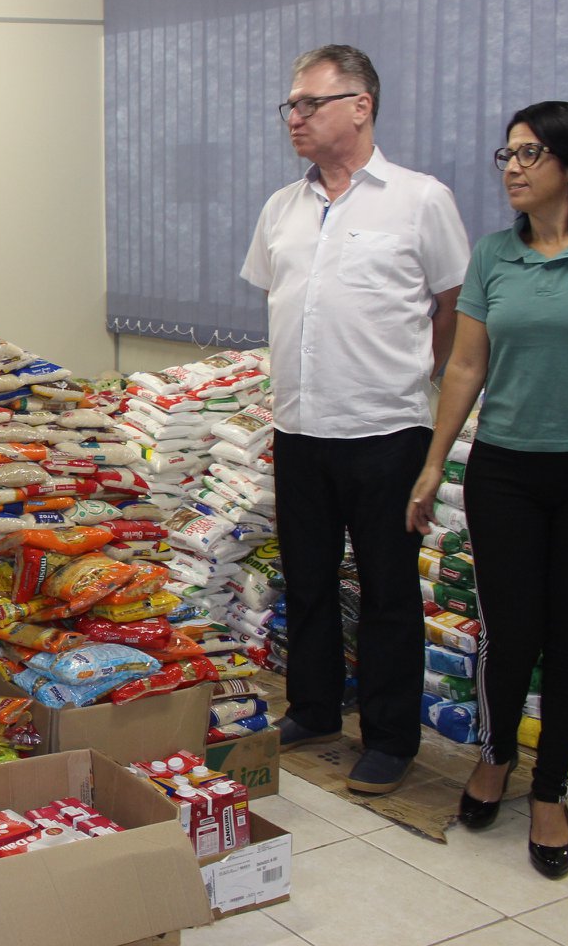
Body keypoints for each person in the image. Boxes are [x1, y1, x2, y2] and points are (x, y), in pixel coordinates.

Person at [408, 101, 568, 878]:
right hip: (506, 473)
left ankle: (552, 790)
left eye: (531, 154)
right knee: (509, 632)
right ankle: (494, 758)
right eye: (506, 153)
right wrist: (432, 462)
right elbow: (467, 369)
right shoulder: (493, 256)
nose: (512, 167)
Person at [240, 44, 471, 794]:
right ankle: (312, 709)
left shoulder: (419, 199)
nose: (294, 119)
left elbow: (452, 307)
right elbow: (281, 301)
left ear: (360, 106)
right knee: (305, 580)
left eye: (310, 104)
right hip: (302, 429)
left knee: (387, 592)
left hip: (387, 431)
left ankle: (390, 737)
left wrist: (413, 378)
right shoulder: (283, 206)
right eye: (291, 106)